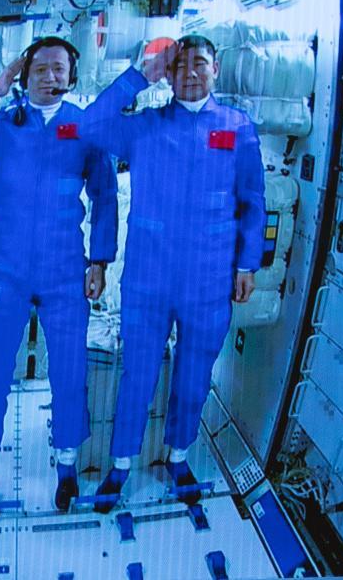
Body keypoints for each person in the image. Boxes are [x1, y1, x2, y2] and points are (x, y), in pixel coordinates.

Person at [80, 35, 265, 512]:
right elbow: (90, 124)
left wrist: (247, 264)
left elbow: (253, 202)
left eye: (199, 63)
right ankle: (121, 464)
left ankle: (179, 457)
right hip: (149, 278)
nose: (190, 73)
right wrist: (141, 76)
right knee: (137, 373)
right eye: (179, 65)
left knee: (194, 375)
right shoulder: (144, 128)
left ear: (216, 69)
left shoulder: (237, 128)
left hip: (209, 279)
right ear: (167, 74)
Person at [0, 37, 118, 519]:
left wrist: (100, 261)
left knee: (70, 373)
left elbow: (105, 196)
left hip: (64, 270)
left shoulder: (85, 128)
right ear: (25, 76)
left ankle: (67, 466)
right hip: (6, 270)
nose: (49, 76)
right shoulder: (5, 124)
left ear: (71, 75)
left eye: (58, 68)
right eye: (39, 68)